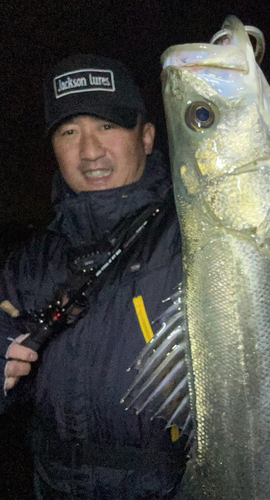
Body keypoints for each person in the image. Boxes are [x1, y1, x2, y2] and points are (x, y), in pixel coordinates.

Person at [0, 54, 187, 499]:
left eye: (107, 126)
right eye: (69, 132)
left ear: (146, 137)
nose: (89, 151)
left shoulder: (197, 234)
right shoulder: (30, 262)